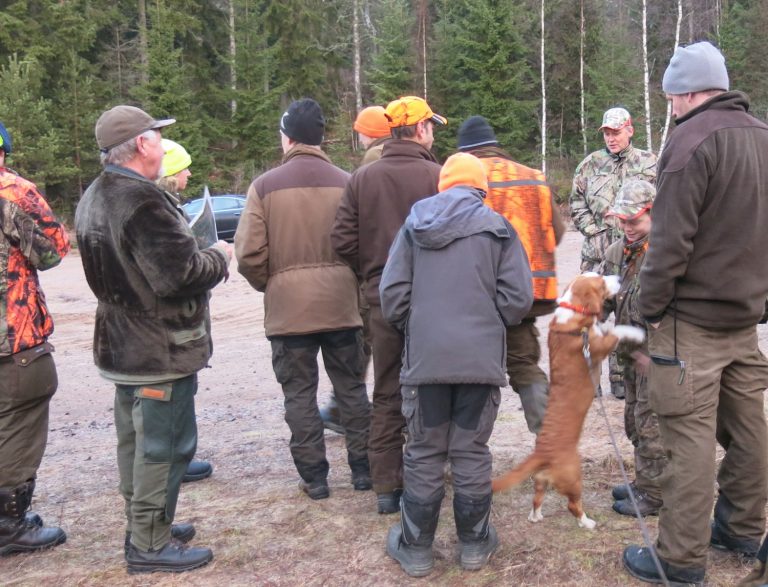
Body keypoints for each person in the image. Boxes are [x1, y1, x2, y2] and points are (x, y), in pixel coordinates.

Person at [623, 41, 768, 586]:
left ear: (683, 93)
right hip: (744, 322)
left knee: (687, 443)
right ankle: (740, 527)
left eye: (670, 99)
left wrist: (649, 311)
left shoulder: (689, 141)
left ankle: (680, 560)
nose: (671, 109)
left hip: (693, 326)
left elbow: (669, 243)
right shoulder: (762, 136)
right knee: (749, 432)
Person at [75, 105, 232, 574]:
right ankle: (148, 543)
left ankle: (148, 525)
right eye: (158, 137)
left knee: (136, 443)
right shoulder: (142, 201)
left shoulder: (95, 194)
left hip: (124, 345)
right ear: (142, 144)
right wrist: (219, 255)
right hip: (157, 348)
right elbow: (178, 274)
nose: (163, 145)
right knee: (165, 446)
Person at [380, 153, 533, 577]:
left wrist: (422, 326)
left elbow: (392, 296)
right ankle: (474, 545)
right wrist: (486, 322)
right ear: (481, 188)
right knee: (470, 451)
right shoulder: (500, 230)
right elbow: (517, 301)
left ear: (443, 186)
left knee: (425, 452)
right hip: (479, 362)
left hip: (426, 361)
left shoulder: (414, 226)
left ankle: (416, 549)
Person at [235, 98, 372, 500]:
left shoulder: (263, 186)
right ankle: (363, 471)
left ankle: (315, 479)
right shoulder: (348, 182)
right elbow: (362, 246)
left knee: (299, 395)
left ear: (287, 138)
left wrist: (274, 284)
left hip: (288, 313)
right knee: (351, 391)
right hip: (343, 308)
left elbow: (248, 254)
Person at [331, 95, 445, 514]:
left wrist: (373, 273)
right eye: (431, 125)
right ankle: (428, 478)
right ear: (419, 130)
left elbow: (341, 240)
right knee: (434, 387)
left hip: (381, 299)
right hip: (433, 299)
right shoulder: (438, 176)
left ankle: (386, 487)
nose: (433, 132)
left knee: (387, 389)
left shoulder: (362, 178)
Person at [456, 115, 564, 434]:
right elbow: (555, 235)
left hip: (476, 299)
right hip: (524, 298)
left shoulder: (462, 181)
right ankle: (551, 442)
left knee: (470, 374)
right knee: (525, 367)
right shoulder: (534, 177)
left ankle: (466, 453)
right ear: (495, 146)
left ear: (465, 152)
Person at [0, 121, 70, 555]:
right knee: (18, 424)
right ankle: (9, 524)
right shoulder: (12, 192)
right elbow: (52, 250)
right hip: (13, 338)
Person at [570, 107, 657, 399]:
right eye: (607, 133)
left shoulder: (649, 162)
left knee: (627, 311)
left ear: (630, 130)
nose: (611, 138)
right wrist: (593, 232)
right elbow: (576, 203)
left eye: (616, 132)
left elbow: (662, 200)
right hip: (596, 254)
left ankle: (622, 377)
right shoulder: (589, 164)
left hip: (635, 251)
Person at [319, 105, 390, 434]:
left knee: (365, 338)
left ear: (370, 133)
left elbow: (364, 220)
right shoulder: (398, 155)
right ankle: (344, 406)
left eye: (360, 130)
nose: (357, 135)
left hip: (376, 270)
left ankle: (345, 408)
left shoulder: (375, 160)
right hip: (389, 267)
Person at [598, 180, 666, 517]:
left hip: (658, 358)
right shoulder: (616, 253)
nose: (627, 228)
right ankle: (644, 482)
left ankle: (655, 496)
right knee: (635, 422)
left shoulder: (667, 253)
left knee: (652, 423)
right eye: (622, 221)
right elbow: (602, 298)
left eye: (634, 221)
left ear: (654, 214)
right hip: (629, 356)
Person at [156, 139, 214, 484]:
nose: (189, 173)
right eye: (182, 168)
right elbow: (178, 271)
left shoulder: (168, 206)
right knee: (170, 393)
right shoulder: (158, 210)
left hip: (176, 324)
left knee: (180, 389)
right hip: (168, 324)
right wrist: (215, 256)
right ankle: (174, 457)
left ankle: (178, 454)